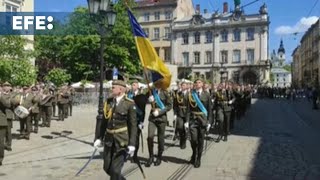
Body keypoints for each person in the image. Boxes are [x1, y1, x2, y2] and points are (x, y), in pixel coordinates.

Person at [93, 80, 137, 180]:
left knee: (115, 171)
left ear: (120, 89)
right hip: (109, 140)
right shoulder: (109, 102)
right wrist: (99, 138)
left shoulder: (129, 104)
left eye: (113, 87)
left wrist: (132, 144)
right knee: (107, 167)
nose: (111, 89)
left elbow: (133, 125)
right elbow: (104, 122)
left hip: (121, 140)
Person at [185, 78, 212, 168]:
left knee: (200, 140)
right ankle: (194, 153)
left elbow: (209, 110)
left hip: (203, 120)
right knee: (193, 140)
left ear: (202, 84)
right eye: (196, 82)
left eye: (199, 82)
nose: (197, 83)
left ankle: (198, 158)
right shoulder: (191, 95)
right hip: (193, 120)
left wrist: (209, 122)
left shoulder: (207, 95)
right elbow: (188, 109)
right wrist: (187, 121)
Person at [146, 85, 172, 167]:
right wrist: (148, 100)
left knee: (160, 139)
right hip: (152, 118)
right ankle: (151, 156)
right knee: (150, 137)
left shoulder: (165, 92)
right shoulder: (150, 91)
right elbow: (145, 100)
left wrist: (160, 112)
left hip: (161, 118)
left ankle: (159, 156)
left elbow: (169, 105)